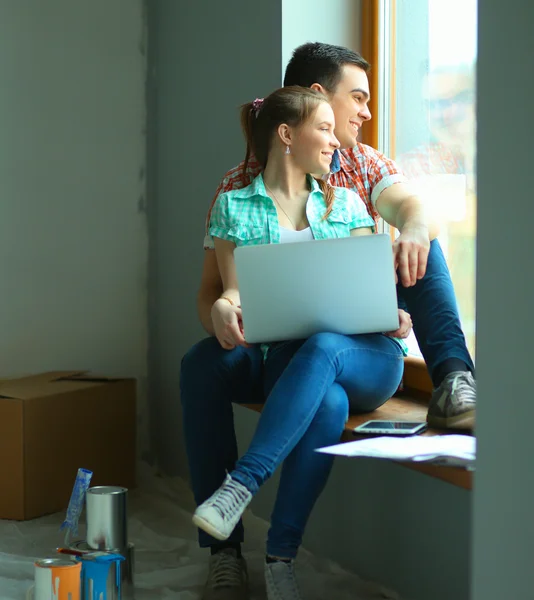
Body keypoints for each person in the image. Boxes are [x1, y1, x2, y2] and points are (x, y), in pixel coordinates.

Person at [180, 42, 475, 600]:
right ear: (315, 102)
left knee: (417, 247)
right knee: (205, 364)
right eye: (356, 97)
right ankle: (233, 552)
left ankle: (453, 376)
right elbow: (214, 292)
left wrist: (404, 251)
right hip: (277, 348)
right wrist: (220, 314)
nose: (365, 112)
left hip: (352, 347)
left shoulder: (354, 180)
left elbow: (407, 217)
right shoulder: (237, 190)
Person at [190, 85, 410, 600]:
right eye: (326, 129)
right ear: (287, 135)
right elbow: (235, 290)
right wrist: (225, 306)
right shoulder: (234, 207)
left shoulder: (348, 203)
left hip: (370, 356)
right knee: (324, 393)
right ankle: (280, 560)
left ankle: (241, 484)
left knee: (327, 345)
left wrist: (391, 312)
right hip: (298, 360)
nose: (337, 142)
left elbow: (371, 292)